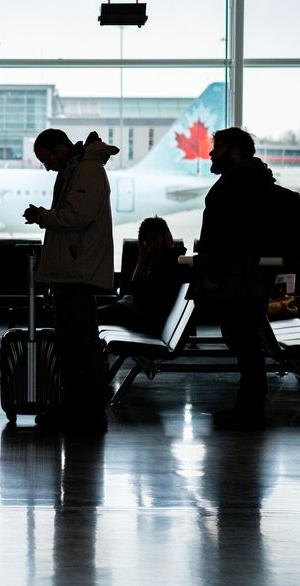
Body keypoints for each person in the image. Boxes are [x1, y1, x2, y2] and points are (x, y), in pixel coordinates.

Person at [23, 129, 116, 434]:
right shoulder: (76, 169)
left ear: (60, 149)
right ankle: (77, 407)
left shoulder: (87, 171)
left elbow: (76, 217)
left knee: (80, 343)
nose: (46, 166)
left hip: (78, 271)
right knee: (73, 342)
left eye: (46, 158)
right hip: (71, 270)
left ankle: (88, 411)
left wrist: (43, 216)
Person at [196, 127, 273, 430]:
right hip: (247, 277)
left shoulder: (239, 183)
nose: (211, 153)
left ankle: (249, 410)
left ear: (233, 150)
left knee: (244, 341)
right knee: (246, 342)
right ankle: (249, 407)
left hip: (238, 279)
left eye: (217, 147)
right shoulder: (253, 178)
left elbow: (230, 237)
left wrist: (213, 274)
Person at [97, 216, 183, 336]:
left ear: (166, 237)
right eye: (148, 241)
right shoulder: (163, 260)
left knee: (88, 317)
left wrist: (142, 258)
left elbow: (135, 292)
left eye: (155, 239)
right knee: (89, 316)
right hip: (140, 315)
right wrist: (142, 257)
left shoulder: (167, 263)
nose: (152, 245)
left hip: (145, 320)